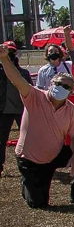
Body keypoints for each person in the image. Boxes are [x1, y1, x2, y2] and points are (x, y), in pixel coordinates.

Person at [0, 45, 74, 207]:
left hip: (54, 155)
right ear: (51, 83)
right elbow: (16, 79)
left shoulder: (71, 109)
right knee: (38, 203)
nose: (61, 88)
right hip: (30, 160)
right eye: (58, 83)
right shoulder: (34, 96)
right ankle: (27, 184)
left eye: (66, 87)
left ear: (71, 91)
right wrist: (3, 58)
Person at [0, 42, 33, 176]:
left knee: (28, 138)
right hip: (3, 110)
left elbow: (31, 90)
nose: (10, 55)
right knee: (1, 140)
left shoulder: (23, 72)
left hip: (22, 110)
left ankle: (30, 163)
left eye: (12, 52)